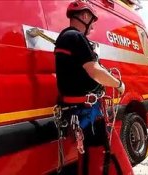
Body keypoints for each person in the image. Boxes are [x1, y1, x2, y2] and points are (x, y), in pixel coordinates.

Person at [54, 1, 132, 174]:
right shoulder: (76, 37)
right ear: (84, 16)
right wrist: (119, 84)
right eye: (92, 21)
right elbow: (95, 71)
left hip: (80, 111)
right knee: (103, 155)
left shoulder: (65, 39)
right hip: (87, 113)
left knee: (90, 156)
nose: (92, 27)